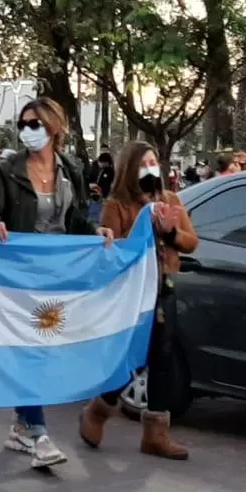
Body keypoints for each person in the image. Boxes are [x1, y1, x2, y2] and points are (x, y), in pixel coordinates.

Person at [0, 97, 114, 469]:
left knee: (43, 348)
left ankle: (21, 426)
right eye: (23, 124)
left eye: (34, 123)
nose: (27, 131)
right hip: (18, 274)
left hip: (59, 273)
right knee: (29, 349)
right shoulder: (7, 170)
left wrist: (96, 230)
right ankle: (39, 434)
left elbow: (77, 217)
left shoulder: (71, 168)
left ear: (54, 127)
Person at [80, 141, 197, 459]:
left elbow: (191, 242)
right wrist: (142, 230)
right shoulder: (117, 204)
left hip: (164, 289)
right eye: (143, 162)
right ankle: (99, 409)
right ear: (130, 168)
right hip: (133, 294)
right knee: (133, 358)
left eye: (153, 161)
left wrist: (170, 232)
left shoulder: (170, 199)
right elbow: (112, 249)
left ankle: (156, 434)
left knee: (163, 358)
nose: (150, 167)